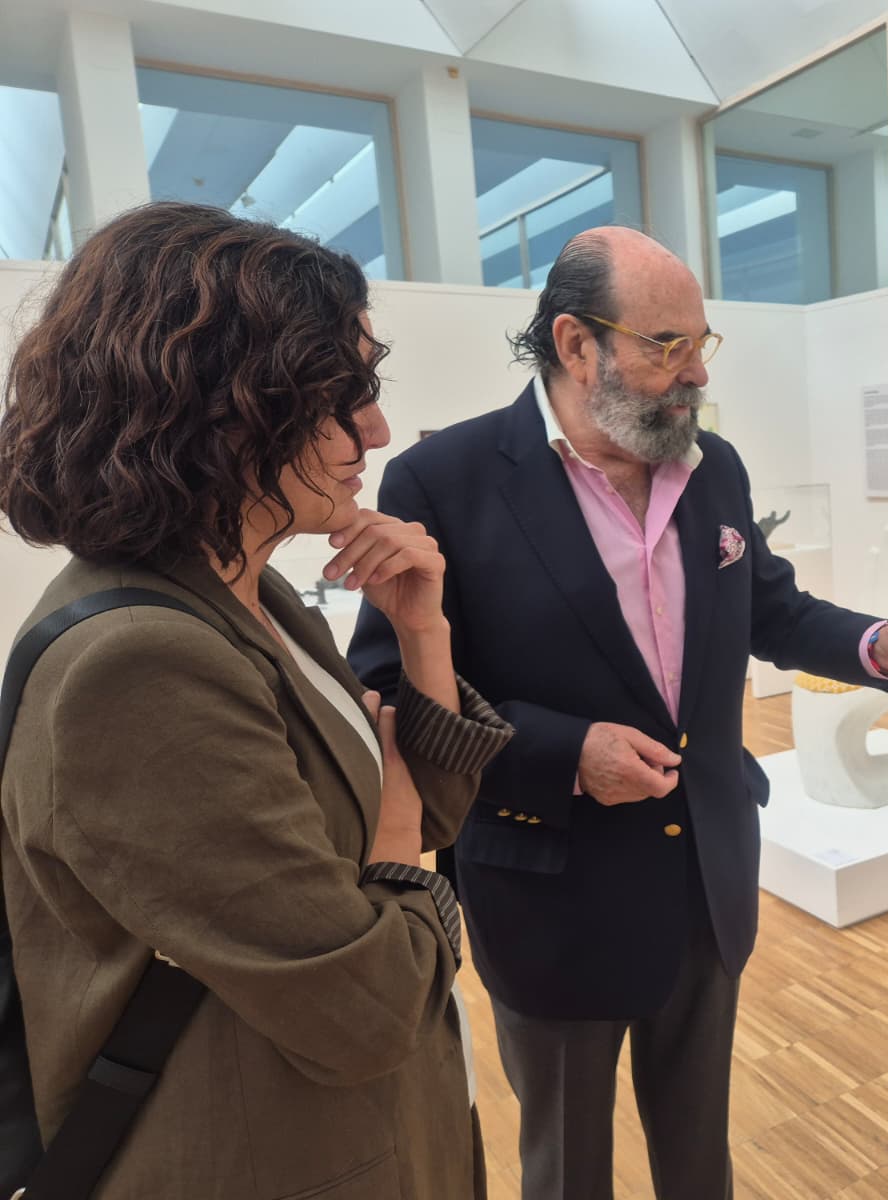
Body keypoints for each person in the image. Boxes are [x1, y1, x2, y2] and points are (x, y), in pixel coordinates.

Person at [348, 225, 888, 1199]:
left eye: (700, 343)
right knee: (569, 1168)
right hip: (548, 895)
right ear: (573, 343)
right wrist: (566, 753)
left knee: (699, 1158)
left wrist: (873, 643)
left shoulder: (713, 466)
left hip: (705, 877)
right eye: (665, 346)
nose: (693, 371)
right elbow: (396, 692)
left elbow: (767, 605)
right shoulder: (445, 482)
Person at [0, 202, 512, 1198]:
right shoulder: (138, 664)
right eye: (343, 395)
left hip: (363, 1133)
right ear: (225, 407)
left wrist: (423, 633)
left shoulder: (253, 591)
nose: (376, 428)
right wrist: (398, 826)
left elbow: (432, 819)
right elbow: (365, 1009)